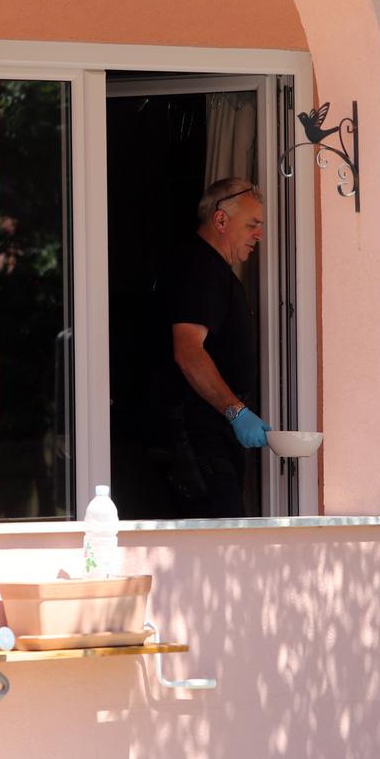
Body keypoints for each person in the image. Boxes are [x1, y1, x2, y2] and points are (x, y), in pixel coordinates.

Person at [156, 177, 271, 517]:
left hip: (213, 434)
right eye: (251, 225)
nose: (259, 235)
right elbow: (188, 351)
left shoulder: (212, 268)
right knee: (223, 538)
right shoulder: (200, 267)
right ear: (221, 220)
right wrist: (236, 412)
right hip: (198, 437)